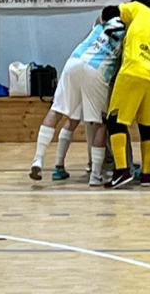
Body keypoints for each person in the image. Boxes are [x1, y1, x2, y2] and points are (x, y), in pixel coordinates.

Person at [29, 17, 126, 186]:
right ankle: (95, 174)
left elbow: (98, 19)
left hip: (74, 62)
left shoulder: (102, 23)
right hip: (96, 69)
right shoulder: (129, 28)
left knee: (60, 112)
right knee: (100, 123)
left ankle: (41, 159)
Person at [100, 0, 150, 189]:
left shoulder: (139, 8)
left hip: (133, 70)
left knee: (115, 120)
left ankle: (122, 170)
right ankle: (146, 175)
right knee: (147, 127)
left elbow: (111, 11)